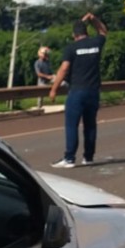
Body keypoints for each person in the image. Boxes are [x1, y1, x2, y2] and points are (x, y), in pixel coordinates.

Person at [49, 13, 107, 168]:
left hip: (77, 91)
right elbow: (102, 31)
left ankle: (69, 158)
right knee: (90, 125)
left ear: (74, 34)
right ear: (86, 32)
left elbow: (64, 68)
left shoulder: (71, 48)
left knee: (71, 125)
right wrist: (93, 18)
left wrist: (54, 89)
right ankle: (88, 157)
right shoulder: (96, 43)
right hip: (93, 91)